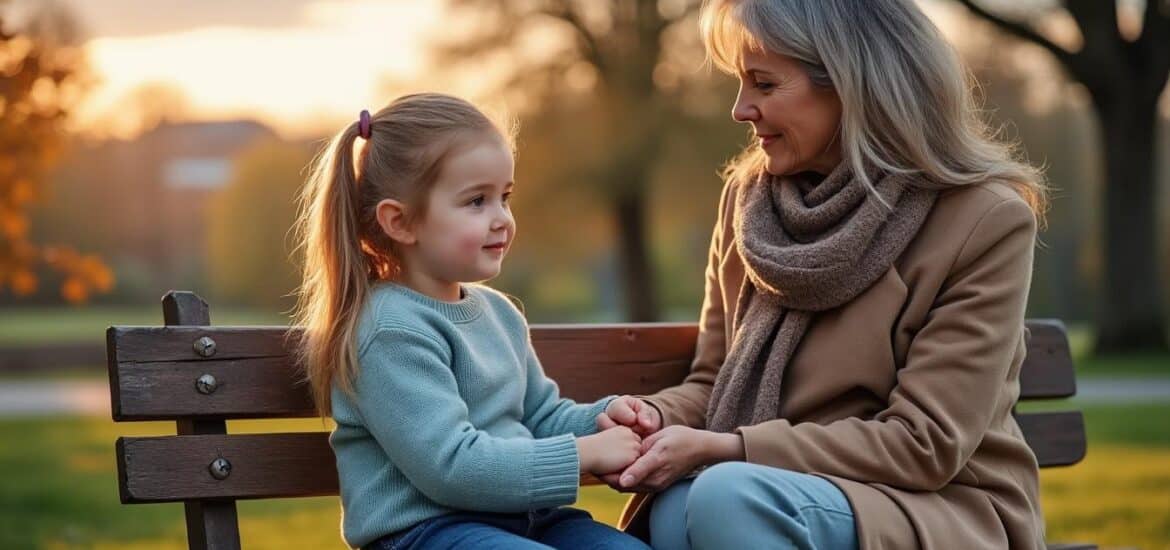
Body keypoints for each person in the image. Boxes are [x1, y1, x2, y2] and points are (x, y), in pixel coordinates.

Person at [598, 1, 1050, 548]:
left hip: (937, 505)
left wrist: (734, 449)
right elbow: (715, 383)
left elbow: (924, 442)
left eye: (763, 84)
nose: (741, 109)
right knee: (675, 506)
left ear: (852, 84)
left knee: (724, 498)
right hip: (771, 486)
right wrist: (650, 417)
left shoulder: (983, 218)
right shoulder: (750, 204)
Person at [292, 92, 652, 550]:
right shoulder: (389, 330)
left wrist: (602, 420)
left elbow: (539, 416)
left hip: (524, 520)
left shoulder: (499, 313)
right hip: (426, 532)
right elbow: (454, 469)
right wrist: (584, 455)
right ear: (400, 222)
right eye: (477, 201)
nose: (502, 219)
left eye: (504, 197)